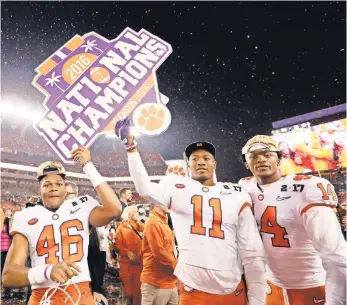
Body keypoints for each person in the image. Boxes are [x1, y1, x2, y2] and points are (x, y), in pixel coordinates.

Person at [115, 118, 267, 305]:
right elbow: (145, 189)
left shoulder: (237, 192)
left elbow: (251, 250)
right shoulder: (176, 185)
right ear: (188, 164)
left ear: (214, 163)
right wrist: (131, 149)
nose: (200, 162)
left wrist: (257, 299)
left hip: (232, 287)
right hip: (192, 288)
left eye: (206, 158)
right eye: (194, 159)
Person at [2, 147, 122, 305]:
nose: (53, 187)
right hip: (43, 296)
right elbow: (9, 276)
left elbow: (114, 209)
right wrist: (47, 271)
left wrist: (88, 165)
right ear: (40, 190)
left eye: (59, 183)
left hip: (81, 294)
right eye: (47, 184)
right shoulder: (25, 216)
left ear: (66, 188)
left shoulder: (82, 206)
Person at [238, 135, 347, 305]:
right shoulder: (245, 187)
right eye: (253, 156)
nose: (261, 160)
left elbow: (335, 255)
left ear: (279, 159)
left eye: (267, 155)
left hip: (312, 286)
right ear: (247, 163)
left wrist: (337, 301)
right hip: (272, 285)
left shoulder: (307, 188)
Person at [140, 203, 178, 305]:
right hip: (156, 282)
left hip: (169, 280)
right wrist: (177, 266)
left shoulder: (162, 222)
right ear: (156, 204)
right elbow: (159, 252)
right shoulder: (153, 223)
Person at [115, 206, 144, 305]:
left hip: (140, 265)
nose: (137, 213)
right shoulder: (121, 229)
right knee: (128, 293)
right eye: (135, 211)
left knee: (139, 293)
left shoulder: (142, 226)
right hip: (127, 266)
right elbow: (117, 246)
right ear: (129, 214)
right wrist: (126, 252)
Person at [1, 207, 12, 299]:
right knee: (2, 269)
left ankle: (7, 290)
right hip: (1, 250)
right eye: (7, 211)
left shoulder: (10, 223)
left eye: (10, 211)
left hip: (9, 249)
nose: (8, 213)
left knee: (7, 269)